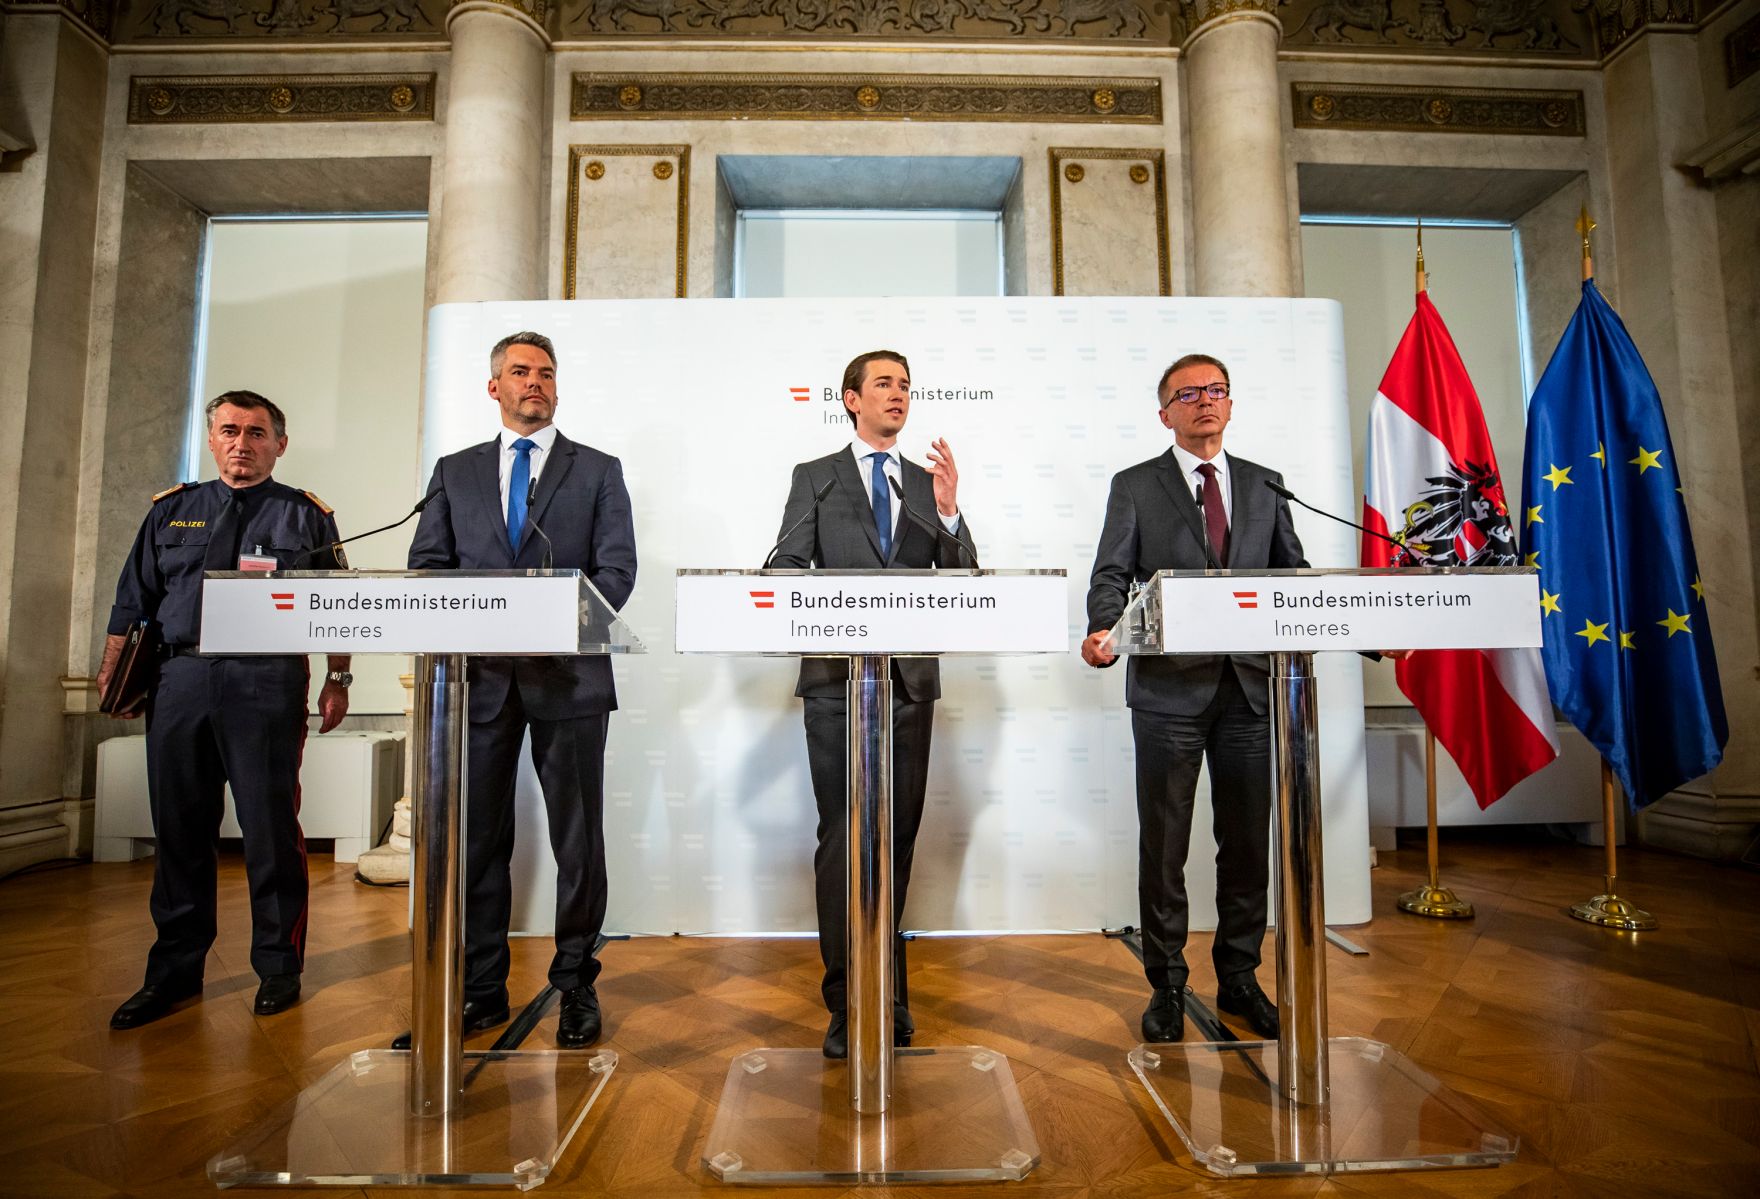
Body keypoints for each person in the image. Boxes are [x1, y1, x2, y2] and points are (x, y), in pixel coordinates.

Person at [405, 330, 637, 1049]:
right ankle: (481, 990)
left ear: (556, 387)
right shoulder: (456, 471)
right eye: (519, 371)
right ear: (494, 387)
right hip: (477, 683)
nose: (533, 381)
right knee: (477, 841)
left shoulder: (597, 470)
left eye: (545, 372)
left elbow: (617, 571)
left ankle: (575, 986)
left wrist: (553, 624)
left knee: (578, 841)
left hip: (568, 679)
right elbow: (428, 566)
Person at [102, 390, 352, 1030]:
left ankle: (278, 966)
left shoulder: (306, 516)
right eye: (231, 431)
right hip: (180, 679)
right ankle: (173, 971)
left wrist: (338, 677)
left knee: (270, 828)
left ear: (279, 445)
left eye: (257, 433)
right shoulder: (171, 511)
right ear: (212, 439)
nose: (243, 443)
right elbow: (132, 602)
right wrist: (112, 677)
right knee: (180, 828)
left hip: (266, 680)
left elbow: (338, 603)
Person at [1082, 353, 1305, 1043]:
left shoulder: (1266, 483)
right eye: (1189, 393)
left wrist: (1363, 632)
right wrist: (1102, 628)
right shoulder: (1135, 485)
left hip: (1249, 689)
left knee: (1247, 843)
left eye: (1216, 390)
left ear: (1230, 405)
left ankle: (1240, 977)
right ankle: (1167, 984)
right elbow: (1111, 573)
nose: (1205, 401)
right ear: (1165, 414)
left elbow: (1292, 575)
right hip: (1168, 690)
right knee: (1165, 846)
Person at [770, 349, 978, 1059]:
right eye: (884, 383)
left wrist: (949, 511)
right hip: (836, 684)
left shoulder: (925, 482)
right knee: (843, 839)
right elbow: (785, 564)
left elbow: (963, 578)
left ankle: (886, 991)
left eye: (906, 385)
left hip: (908, 686)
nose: (899, 394)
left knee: (896, 839)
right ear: (851, 399)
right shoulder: (817, 477)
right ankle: (845, 999)